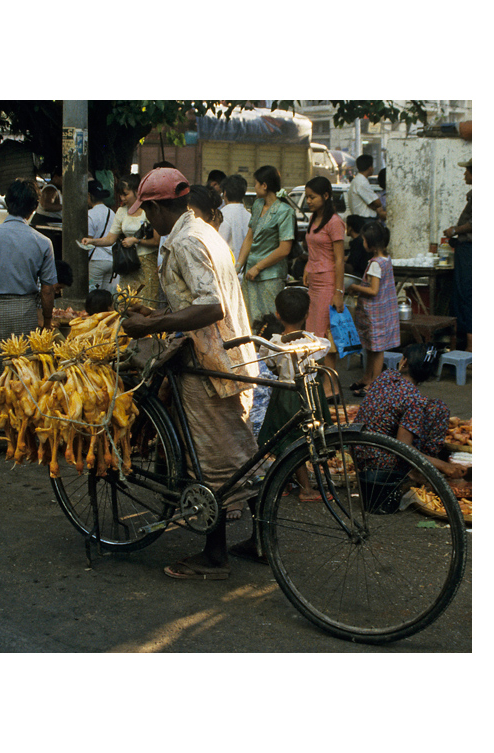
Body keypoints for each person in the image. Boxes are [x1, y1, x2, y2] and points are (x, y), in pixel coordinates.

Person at [119, 167, 260, 580]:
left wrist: (150, 326)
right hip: (229, 352)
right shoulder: (204, 231)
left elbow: (211, 305)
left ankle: (215, 557)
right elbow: (198, 299)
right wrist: (163, 315)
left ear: (162, 207)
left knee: (211, 459)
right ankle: (261, 540)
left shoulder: (184, 240)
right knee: (239, 452)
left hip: (209, 360)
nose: (147, 220)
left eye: (148, 210)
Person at [0, 178, 58, 389]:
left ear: (7, 203)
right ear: (34, 207)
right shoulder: (42, 242)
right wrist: (47, 321)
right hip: (24, 311)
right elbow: (47, 290)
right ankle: (22, 419)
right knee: (24, 372)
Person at [255, 287, 331, 502]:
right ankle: (306, 489)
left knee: (287, 438)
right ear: (307, 315)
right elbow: (321, 363)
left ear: (277, 314)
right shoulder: (314, 342)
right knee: (304, 439)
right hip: (310, 393)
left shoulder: (274, 344)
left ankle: (288, 480)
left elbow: (271, 366)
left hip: (284, 393)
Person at [355, 342, 466, 483]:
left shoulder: (386, 376)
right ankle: (415, 472)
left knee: (438, 407)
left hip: (358, 448)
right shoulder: (414, 400)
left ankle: (422, 468)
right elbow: (403, 449)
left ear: (404, 363)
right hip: (377, 462)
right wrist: (444, 466)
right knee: (437, 409)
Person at [81, 174, 161, 302]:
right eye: (121, 195)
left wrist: (136, 240)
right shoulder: (121, 211)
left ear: (137, 191)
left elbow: (157, 241)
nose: (122, 198)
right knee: (126, 302)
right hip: (127, 265)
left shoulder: (148, 210)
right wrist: (92, 241)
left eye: (126, 194)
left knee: (146, 302)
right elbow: (110, 239)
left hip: (147, 264)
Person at [235, 165, 296, 328]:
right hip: (250, 273)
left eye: (256, 183)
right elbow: (249, 237)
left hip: (270, 275)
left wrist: (259, 267)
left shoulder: (285, 211)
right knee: (250, 319)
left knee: (270, 321)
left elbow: (284, 249)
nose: (254, 187)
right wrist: (238, 265)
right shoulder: (257, 205)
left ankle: (269, 352)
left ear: (265, 185)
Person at [302, 176, 346, 395]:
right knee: (313, 333)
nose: (308, 200)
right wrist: (307, 269)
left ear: (326, 196)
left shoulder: (334, 222)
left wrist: (339, 292)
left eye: (312, 196)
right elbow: (312, 249)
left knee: (325, 335)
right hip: (314, 283)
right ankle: (323, 383)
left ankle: (332, 386)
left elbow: (339, 259)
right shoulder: (314, 218)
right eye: (307, 196)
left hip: (328, 283)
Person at [345, 221, 399, 395]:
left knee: (376, 350)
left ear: (372, 244)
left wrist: (354, 287)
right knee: (370, 347)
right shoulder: (386, 259)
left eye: (364, 240)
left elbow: (373, 290)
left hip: (376, 313)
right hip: (382, 312)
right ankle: (368, 378)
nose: (362, 243)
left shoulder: (376, 264)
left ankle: (375, 383)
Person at [443, 159, 472, 352]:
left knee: (467, 294)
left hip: (468, 251)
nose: (464, 175)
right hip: (465, 249)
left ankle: (470, 347)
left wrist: (454, 230)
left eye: (467, 171)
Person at [85, 179, 117, 293]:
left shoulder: (90, 214)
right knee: (105, 296)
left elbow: (89, 240)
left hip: (96, 260)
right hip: (111, 260)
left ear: (89, 195)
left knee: (94, 295)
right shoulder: (112, 213)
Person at [218, 174, 251, 272]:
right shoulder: (250, 216)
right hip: (246, 273)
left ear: (225, 193)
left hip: (227, 272)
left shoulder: (221, 216)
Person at [346, 154, 386, 220]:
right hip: (365, 219)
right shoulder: (362, 182)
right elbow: (378, 203)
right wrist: (373, 206)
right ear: (370, 168)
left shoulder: (357, 180)